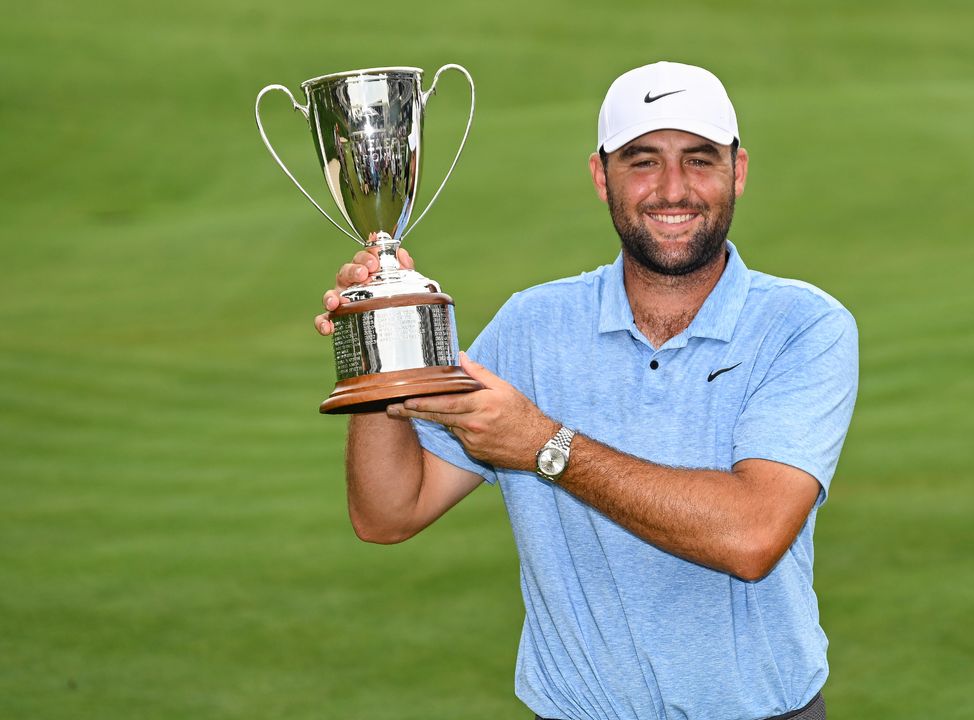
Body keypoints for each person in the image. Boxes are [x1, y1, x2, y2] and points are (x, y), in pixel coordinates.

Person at [315, 61, 858, 720]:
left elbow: (752, 535)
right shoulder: (533, 326)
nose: (673, 189)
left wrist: (546, 446)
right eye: (643, 162)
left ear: (738, 171)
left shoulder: (804, 325)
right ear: (602, 177)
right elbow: (388, 513)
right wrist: (376, 351)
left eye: (700, 160)